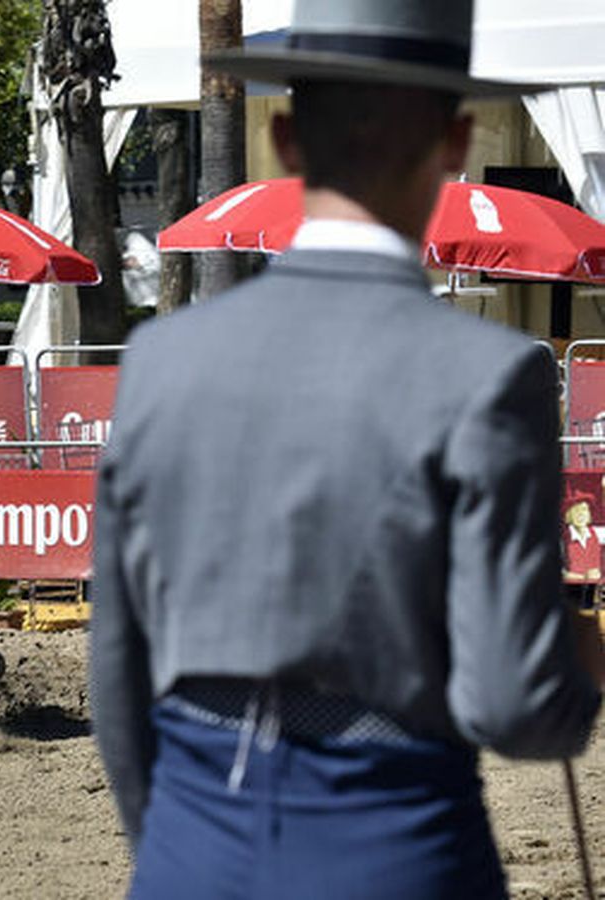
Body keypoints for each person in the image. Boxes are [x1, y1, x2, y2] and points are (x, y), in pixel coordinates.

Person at [91, 3, 604, 897]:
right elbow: (516, 709)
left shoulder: (161, 358)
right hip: (396, 842)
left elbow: (117, 670)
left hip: (191, 845)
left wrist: (173, 843)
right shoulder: (489, 376)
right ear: (455, 143)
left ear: (286, 141)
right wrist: (582, 668)